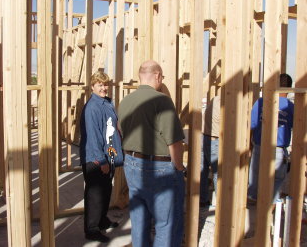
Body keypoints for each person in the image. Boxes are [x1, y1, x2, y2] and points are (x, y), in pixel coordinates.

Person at [118, 60, 186, 247]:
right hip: (158, 169)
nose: (161, 80)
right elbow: (174, 141)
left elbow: (119, 130)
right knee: (166, 224)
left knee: (139, 222)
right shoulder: (161, 100)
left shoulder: (125, 101)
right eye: (162, 77)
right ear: (157, 76)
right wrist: (179, 168)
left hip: (131, 163)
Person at [80, 71, 123, 242]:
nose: (104, 88)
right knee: (95, 196)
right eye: (100, 85)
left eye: (106, 85)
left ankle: (102, 220)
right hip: (96, 159)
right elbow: (93, 137)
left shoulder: (106, 103)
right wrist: (101, 161)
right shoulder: (92, 108)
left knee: (106, 191)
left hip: (108, 155)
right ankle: (91, 229)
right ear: (92, 87)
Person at [248, 73, 294, 203]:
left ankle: (254, 213)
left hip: (259, 147)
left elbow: (252, 125)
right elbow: (297, 128)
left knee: (254, 185)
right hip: (278, 150)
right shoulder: (290, 107)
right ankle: (269, 211)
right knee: (275, 184)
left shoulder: (261, 102)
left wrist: (250, 145)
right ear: (289, 89)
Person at [200, 95, 220, 207]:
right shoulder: (227, 102)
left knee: (203, 171)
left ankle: (202, 200)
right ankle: (221, 203)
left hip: (204, 138)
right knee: (218, 173)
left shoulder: (216, 99)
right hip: (215, 139)